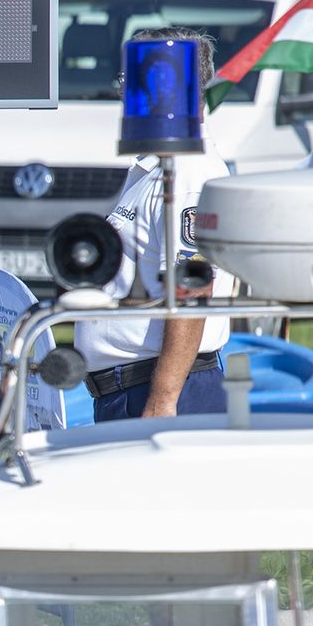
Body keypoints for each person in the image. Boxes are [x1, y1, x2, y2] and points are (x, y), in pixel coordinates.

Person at [77, 27, 238, 423]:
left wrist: (162, 400)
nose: (123, 94)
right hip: (137, 388)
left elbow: (192, 289)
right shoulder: (157, 166)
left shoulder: (188, 172)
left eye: (132, 81)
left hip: (167, 392)